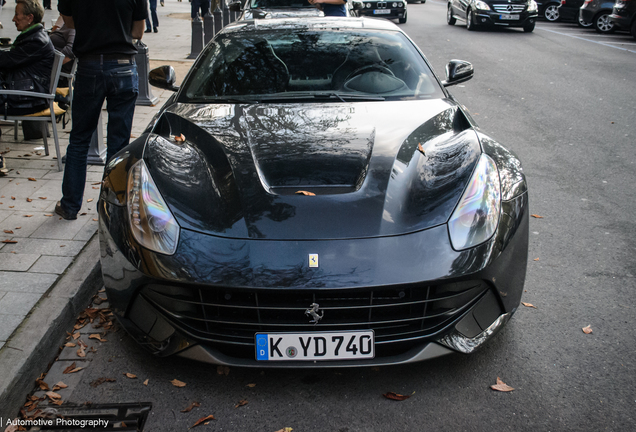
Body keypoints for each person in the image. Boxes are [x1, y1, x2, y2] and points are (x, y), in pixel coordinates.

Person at [55, 0, 147, 221]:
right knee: (119, 143)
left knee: (79, 139)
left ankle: (70, 205)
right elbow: (138, 30)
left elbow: (69, 22)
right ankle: (110, 207)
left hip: (90, 66)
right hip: (123, 65)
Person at [0, 0, 55, 116]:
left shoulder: (36, 41)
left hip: (29, 99)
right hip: (24, 93)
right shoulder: (33, 35)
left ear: (30, 18)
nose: (13, 19)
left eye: (16, 14)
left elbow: (7, 61)